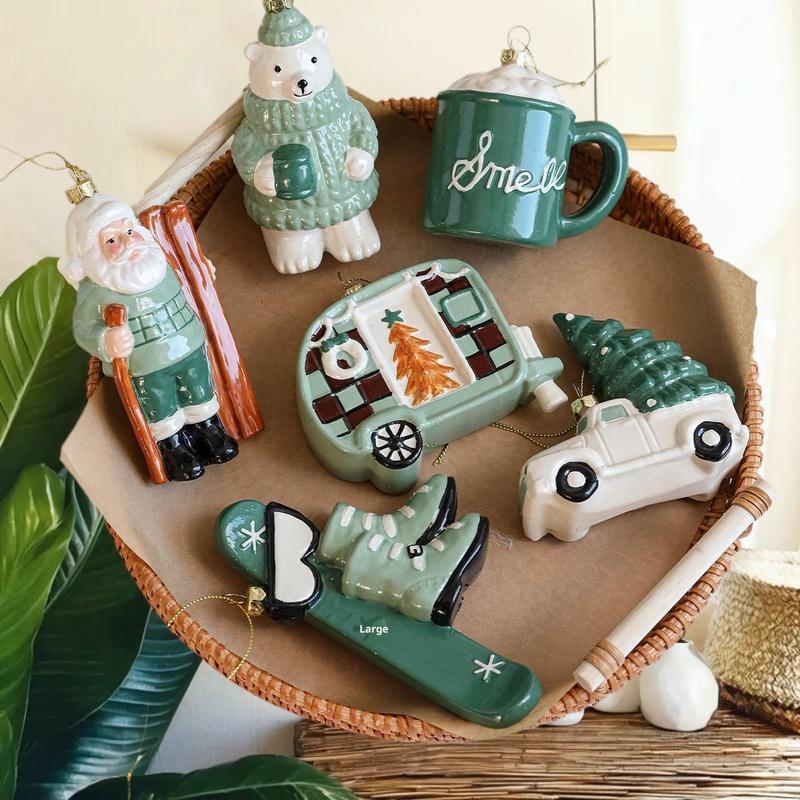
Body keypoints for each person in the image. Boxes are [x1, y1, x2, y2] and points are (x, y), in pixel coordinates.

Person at [58, 194, 238, 481]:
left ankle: (210, 430)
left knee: (199, 388)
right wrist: (106, 340)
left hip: (188, 344)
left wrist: (202, 272)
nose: (128, 242)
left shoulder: (158, 264)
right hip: (145, 365)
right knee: (159, 404)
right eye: (111, 240)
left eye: (130, 231)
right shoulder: (96, 293)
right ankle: (175, 449)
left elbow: (186, 280)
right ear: (92, 256)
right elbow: (84, 328)